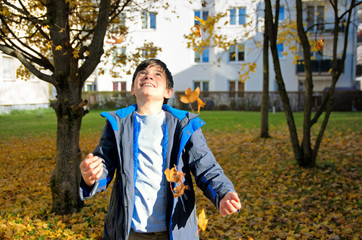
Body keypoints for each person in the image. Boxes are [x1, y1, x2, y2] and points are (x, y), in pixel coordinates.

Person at [79, 59, 241, 240]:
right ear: (132, 88)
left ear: (168, 92)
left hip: (174, 230)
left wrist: (223, 193)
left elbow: (206, 166)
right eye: (142, 73)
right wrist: (90, 177)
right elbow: (104, 165)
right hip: (129, 230)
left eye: (157, 74)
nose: (148, 75)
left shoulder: (184, 125)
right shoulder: (118, 124)